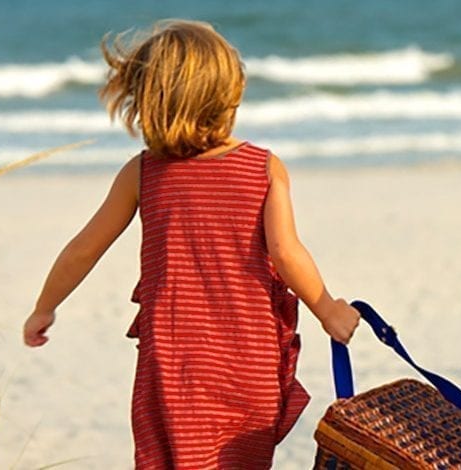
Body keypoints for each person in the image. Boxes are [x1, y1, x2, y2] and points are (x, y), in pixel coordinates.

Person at [21, 20, 360, 469]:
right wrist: (328, 311)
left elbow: (85, 248)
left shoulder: (142, 174)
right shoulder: (262, 168)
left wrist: (45, 306)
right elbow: (286, 252)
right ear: (228, 96)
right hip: (249, 361)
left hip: (173, 364)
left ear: (149, 102)